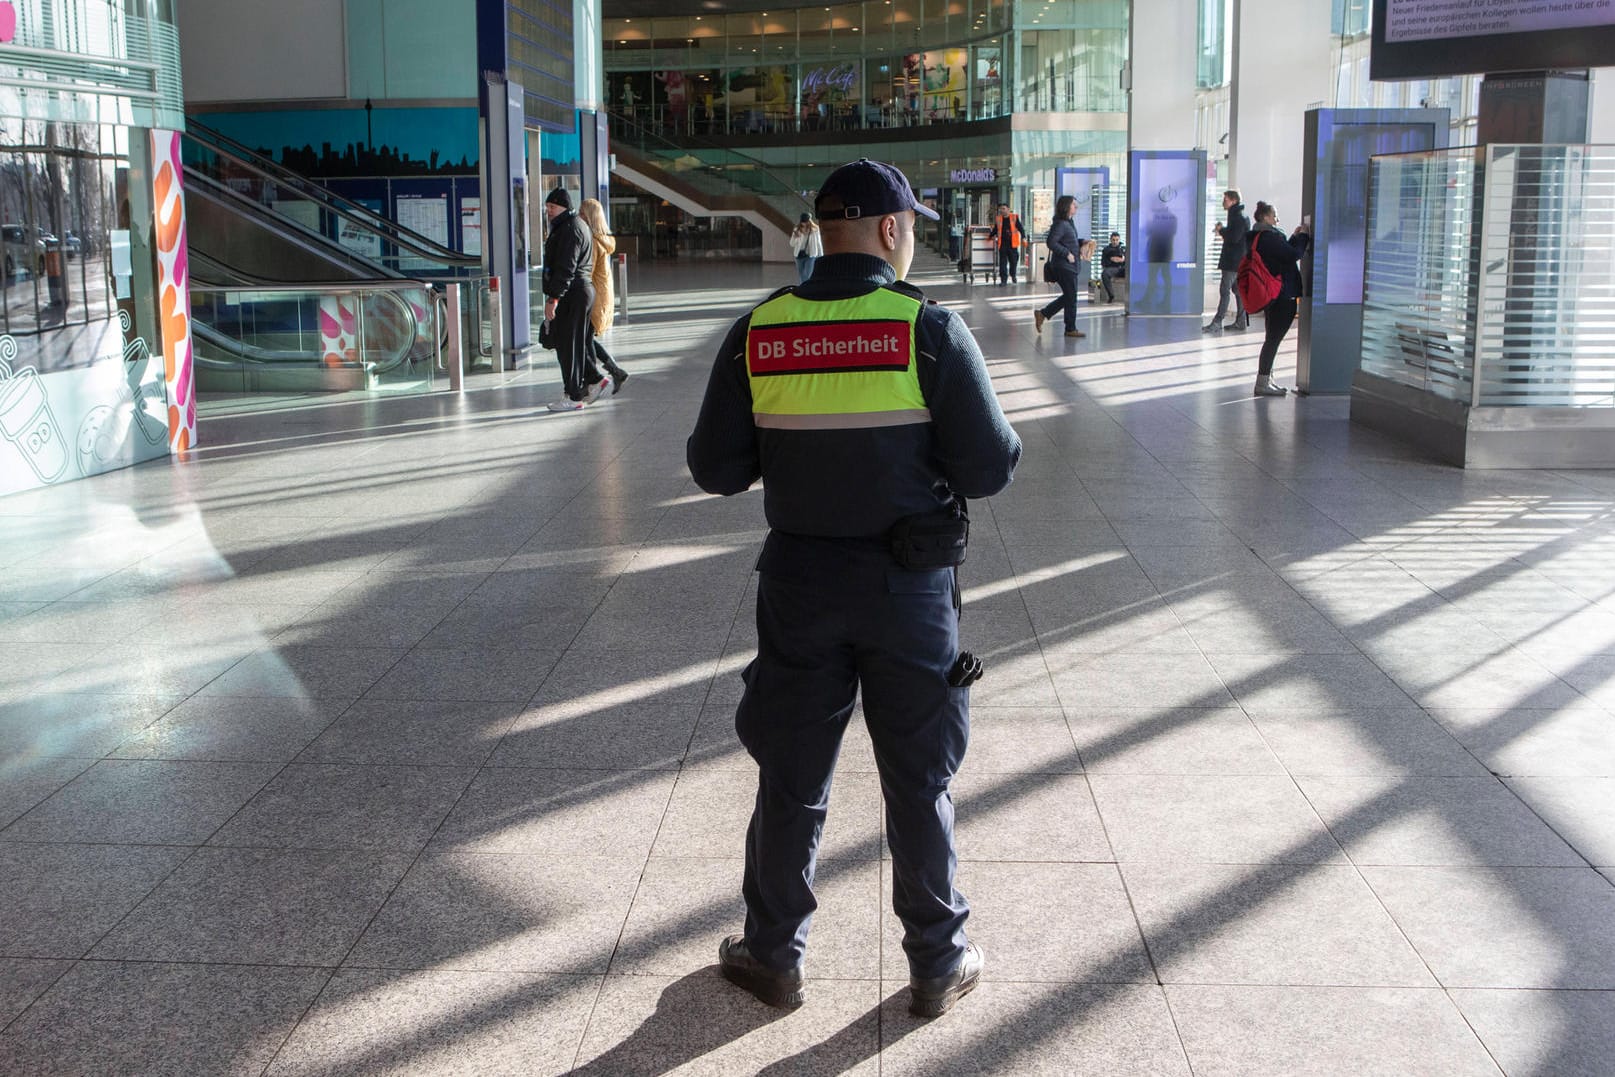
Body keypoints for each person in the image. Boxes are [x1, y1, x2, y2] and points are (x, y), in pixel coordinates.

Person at [687, 157, 1021, 1019]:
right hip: (910, 590)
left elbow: (713, 469)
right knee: (918, 778)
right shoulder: (926, 330)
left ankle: (770, 955)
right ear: (887, 230)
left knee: (791, 773)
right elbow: (988, 467)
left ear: (820, 231)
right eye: (909, 223)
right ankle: (937, 961)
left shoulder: (760, 331)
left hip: (798, 584)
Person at [541, 188, 609, 412]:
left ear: (563, 207)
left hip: (573, 294)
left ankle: (573, 395)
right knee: (575, 343)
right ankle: (590, 379)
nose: (548, 211)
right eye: (548, 206)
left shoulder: (570, 229)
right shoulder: (572, 226)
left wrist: (553, 299)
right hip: (579, 292)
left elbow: (566, 268)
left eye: (552, 207)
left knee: (568, 346)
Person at [1248, 200, 1311, 397]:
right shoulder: (1269, 237)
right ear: (1266, 217)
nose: (1277, 218)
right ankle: (1263, 381)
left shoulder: (1260, 237)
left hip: (1272, 294)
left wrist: (1293, 236)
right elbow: (1293, 255)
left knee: (1272, 337)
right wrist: (1303, 237)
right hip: (1282, 294)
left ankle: (1267, 378)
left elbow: (1283, 255)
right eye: (1275, 215)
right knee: (1273, 339)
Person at [579, 197, 629, 395]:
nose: (579, 216)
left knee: (585, 338)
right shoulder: (603, 239)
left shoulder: (592, 242)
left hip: (594, 297)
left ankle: (593, 380)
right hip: (601, 296)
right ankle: (614, 371)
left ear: (590, 217)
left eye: (582, 213)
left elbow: (585, 272)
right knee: (586, 337)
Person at [1033, 194, 1085, 338]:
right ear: (1067, 207)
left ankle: (1043, 314)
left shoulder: (1068, 222)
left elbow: (1069, 241)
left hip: (1070, 266)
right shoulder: (1061, 224)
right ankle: (1070, 328)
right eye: (1074, 205)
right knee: (1071, 297)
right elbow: (1051, 242)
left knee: (1070, 296)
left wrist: (1083, 242)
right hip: (1064, 266)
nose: (1076, 207)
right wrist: (1067, 254)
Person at [1205, 189, 1251, 333]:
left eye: (1225, 199)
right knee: (1238, 291)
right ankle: (1241, 321)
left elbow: (1234, 238)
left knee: (1225, 291)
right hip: (1237, 261)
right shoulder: (1237, 216)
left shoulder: (1238, 218)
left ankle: (1218, 322)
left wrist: (1221, 230)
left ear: (1233, 201)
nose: (1223, 202)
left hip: (1233, 262)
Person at [993, 203, 1025, 284]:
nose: (1002, 210)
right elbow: (995, 229)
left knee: (1013, 261)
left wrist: (1023, 237)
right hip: (1002, 244)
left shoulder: (1014, 217)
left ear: (1008, 209)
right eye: (1001, 209)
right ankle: (1003, 280)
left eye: (1003, 208)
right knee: (1002, 263)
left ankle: (1013, 274)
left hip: (1012, 245)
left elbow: (1020, 228)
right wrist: (989, 236)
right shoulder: (999, 219)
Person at [788, 213, 824, 283]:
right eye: (802, 221)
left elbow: (818, 243)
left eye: (805, 221)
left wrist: (821, 256)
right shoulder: (797, 229)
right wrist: (795, 237)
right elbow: (791, 244)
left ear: (809, 221)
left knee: (808, 275)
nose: (803, 223)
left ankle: (807, 289)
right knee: (801, 274)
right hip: (799, 255)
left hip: (811, 255)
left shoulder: (815, 230)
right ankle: (803, 288)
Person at [1100, 231, 1127, 303]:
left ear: (1119, 240)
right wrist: (1112, 260)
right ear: (1110, 240)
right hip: (1112, 269)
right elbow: (1103, 263)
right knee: (1104, 273)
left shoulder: (1123, 249)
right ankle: (1111, 295)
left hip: (1123, 268)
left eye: (1117, 240)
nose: (1115, 242)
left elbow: (1128, 260)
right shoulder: (1106, 250)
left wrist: (1122, 260)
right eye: (1113, 240)